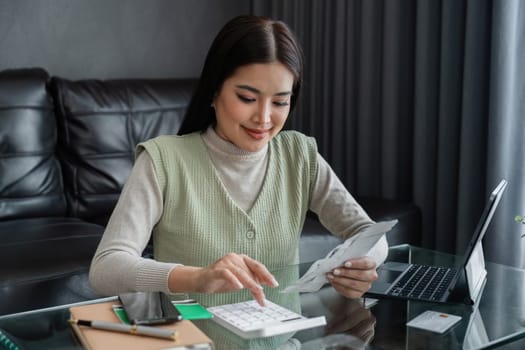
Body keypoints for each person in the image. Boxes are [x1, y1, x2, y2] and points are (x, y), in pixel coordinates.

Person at [89, 15, 388, 311]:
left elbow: (370, 232)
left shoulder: (300, 155)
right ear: (214, 90)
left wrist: (364, 264)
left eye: (280, 102)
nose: (264, 118)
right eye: (247, 97)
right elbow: (105, 267)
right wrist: (196, 277)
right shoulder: (163, 161)